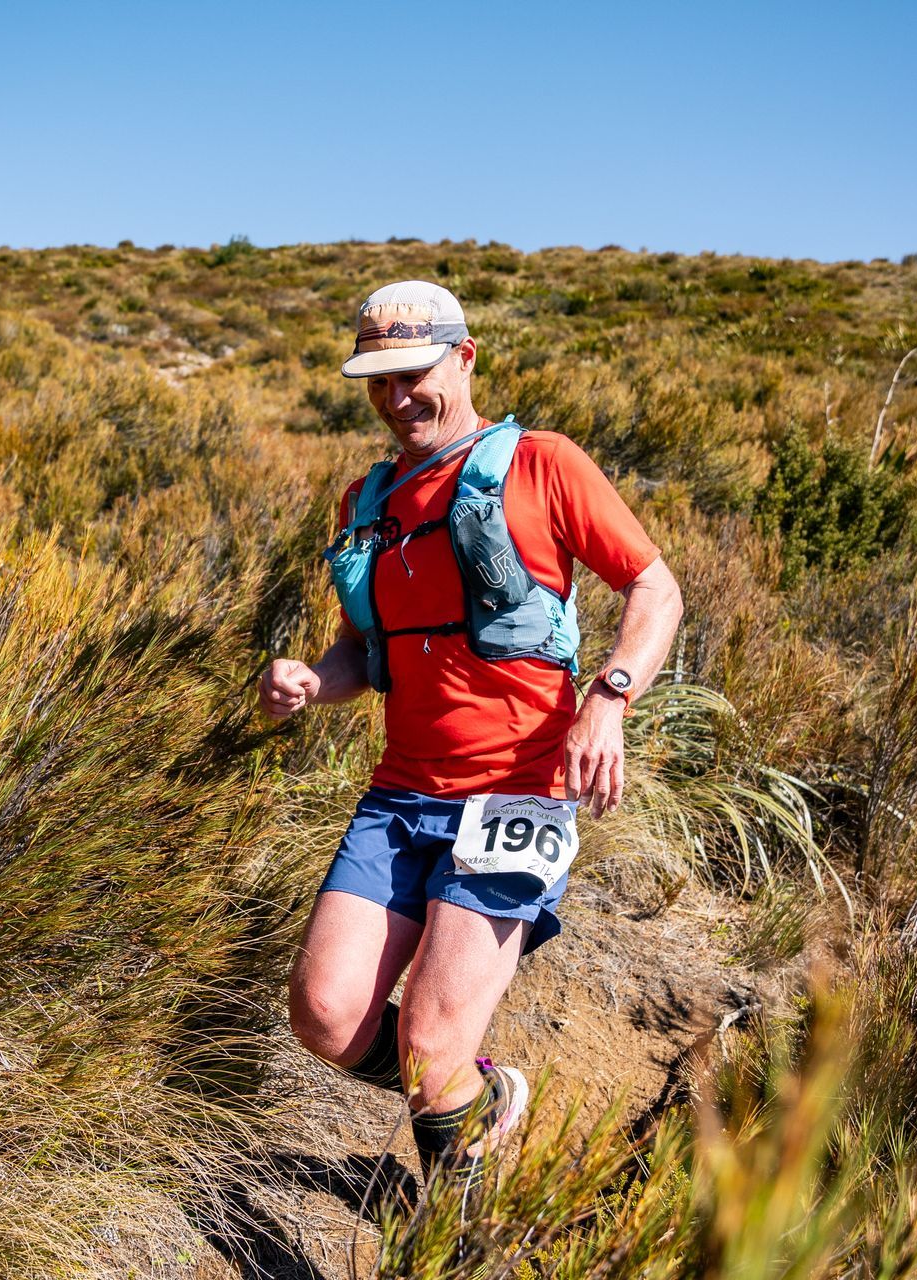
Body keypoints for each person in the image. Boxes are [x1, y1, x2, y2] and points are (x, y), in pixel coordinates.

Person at [259, 280, 683, 1188]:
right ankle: (474, 1101)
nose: (396, 398)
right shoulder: (363, 503)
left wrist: (607, 698)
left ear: (465, 357)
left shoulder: (544, 464)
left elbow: (655, 589)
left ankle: (456, 1227)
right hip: (402, 795)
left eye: (412, 374)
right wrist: (308, 681)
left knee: (431, 1038)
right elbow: (360, 653)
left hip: (518, 792)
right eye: (377, 382)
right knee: (325, 1017)